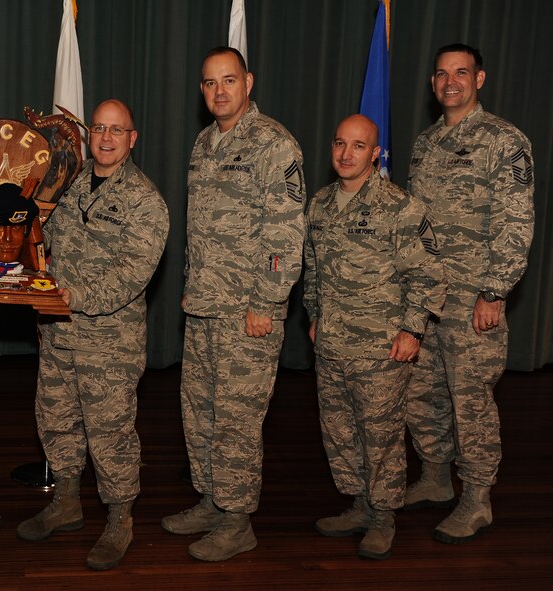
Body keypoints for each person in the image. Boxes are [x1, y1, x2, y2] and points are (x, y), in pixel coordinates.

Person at [161, 47, 306, 562]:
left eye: (228, 81)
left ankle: (238, 519)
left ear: (248, 81)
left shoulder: (274, 144)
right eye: (209, 83)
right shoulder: (205, 143)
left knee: (238, 419)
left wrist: (267, 300)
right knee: (199, 412)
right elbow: (201, 228)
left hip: (249, 311)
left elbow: (286, 234)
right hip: (204, 305)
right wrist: (191, 283)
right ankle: (212, 500)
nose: (218, 92)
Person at [16, 99, 169, 571]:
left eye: (116, 130)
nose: (105, 138)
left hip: (109, 342)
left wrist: (69, 293)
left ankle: (120, 520)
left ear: (132, 138)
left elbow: (131, 275)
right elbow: (43, 238)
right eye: (98, 128)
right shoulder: (72, 182)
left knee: (111, 434)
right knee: (56, 419)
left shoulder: (146, 201)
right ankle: (66, 502)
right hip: (58, 332)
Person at [404, 43, 534, 544]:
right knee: (422, 395)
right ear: (433, 83)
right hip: (427, 299)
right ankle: (436, 479)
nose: (449, 82)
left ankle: (477, 498)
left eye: (461, 73)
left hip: (472, 300)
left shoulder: (504, 141)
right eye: (441, 74)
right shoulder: (424, 143)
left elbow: (516, 223)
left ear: (479, 79)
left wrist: (495, 291)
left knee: (471, 402)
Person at [303, 114, 447, 559]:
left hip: (381, 348)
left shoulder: (401, 208)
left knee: (380, 435)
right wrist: (313, 314)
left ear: (376, 153)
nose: (347, 154)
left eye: (358, 146)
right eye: (340, 144)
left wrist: (412, 328)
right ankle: (359, 504)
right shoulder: (320, 204)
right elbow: (311, 269)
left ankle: (384, 515)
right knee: (340, 431)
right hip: (331, 345)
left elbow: (428, 276)